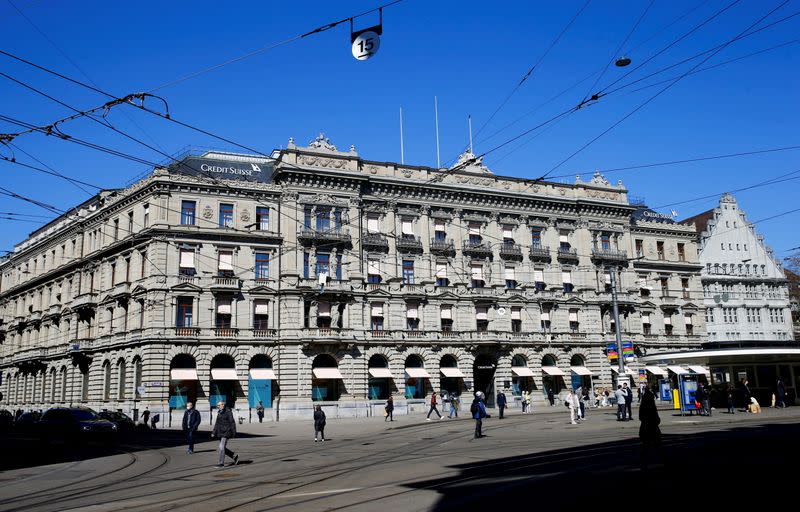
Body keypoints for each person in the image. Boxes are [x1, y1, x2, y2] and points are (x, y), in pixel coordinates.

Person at [638, 388, 662, 470]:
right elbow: (656, 418)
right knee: (658, 445)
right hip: (653, 428)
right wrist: (656, 421)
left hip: (644, 427)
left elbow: (640, 417)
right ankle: (663, 460)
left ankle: (643, 463)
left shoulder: (642, 406)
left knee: (645, 446)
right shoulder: (652, 406)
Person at [211, 400, 239, 468]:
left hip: (226, 432)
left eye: (219, 405)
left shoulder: (228, 412)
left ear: (223, 405)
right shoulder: (219, 412)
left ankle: (221, 463)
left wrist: (234, 432)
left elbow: (232, 422)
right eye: (217, 405)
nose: (218, 406)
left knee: (221, 447)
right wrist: (214, 432)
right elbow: (217, 423)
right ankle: (234, 456)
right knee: (222, 448)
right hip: (220, 432)